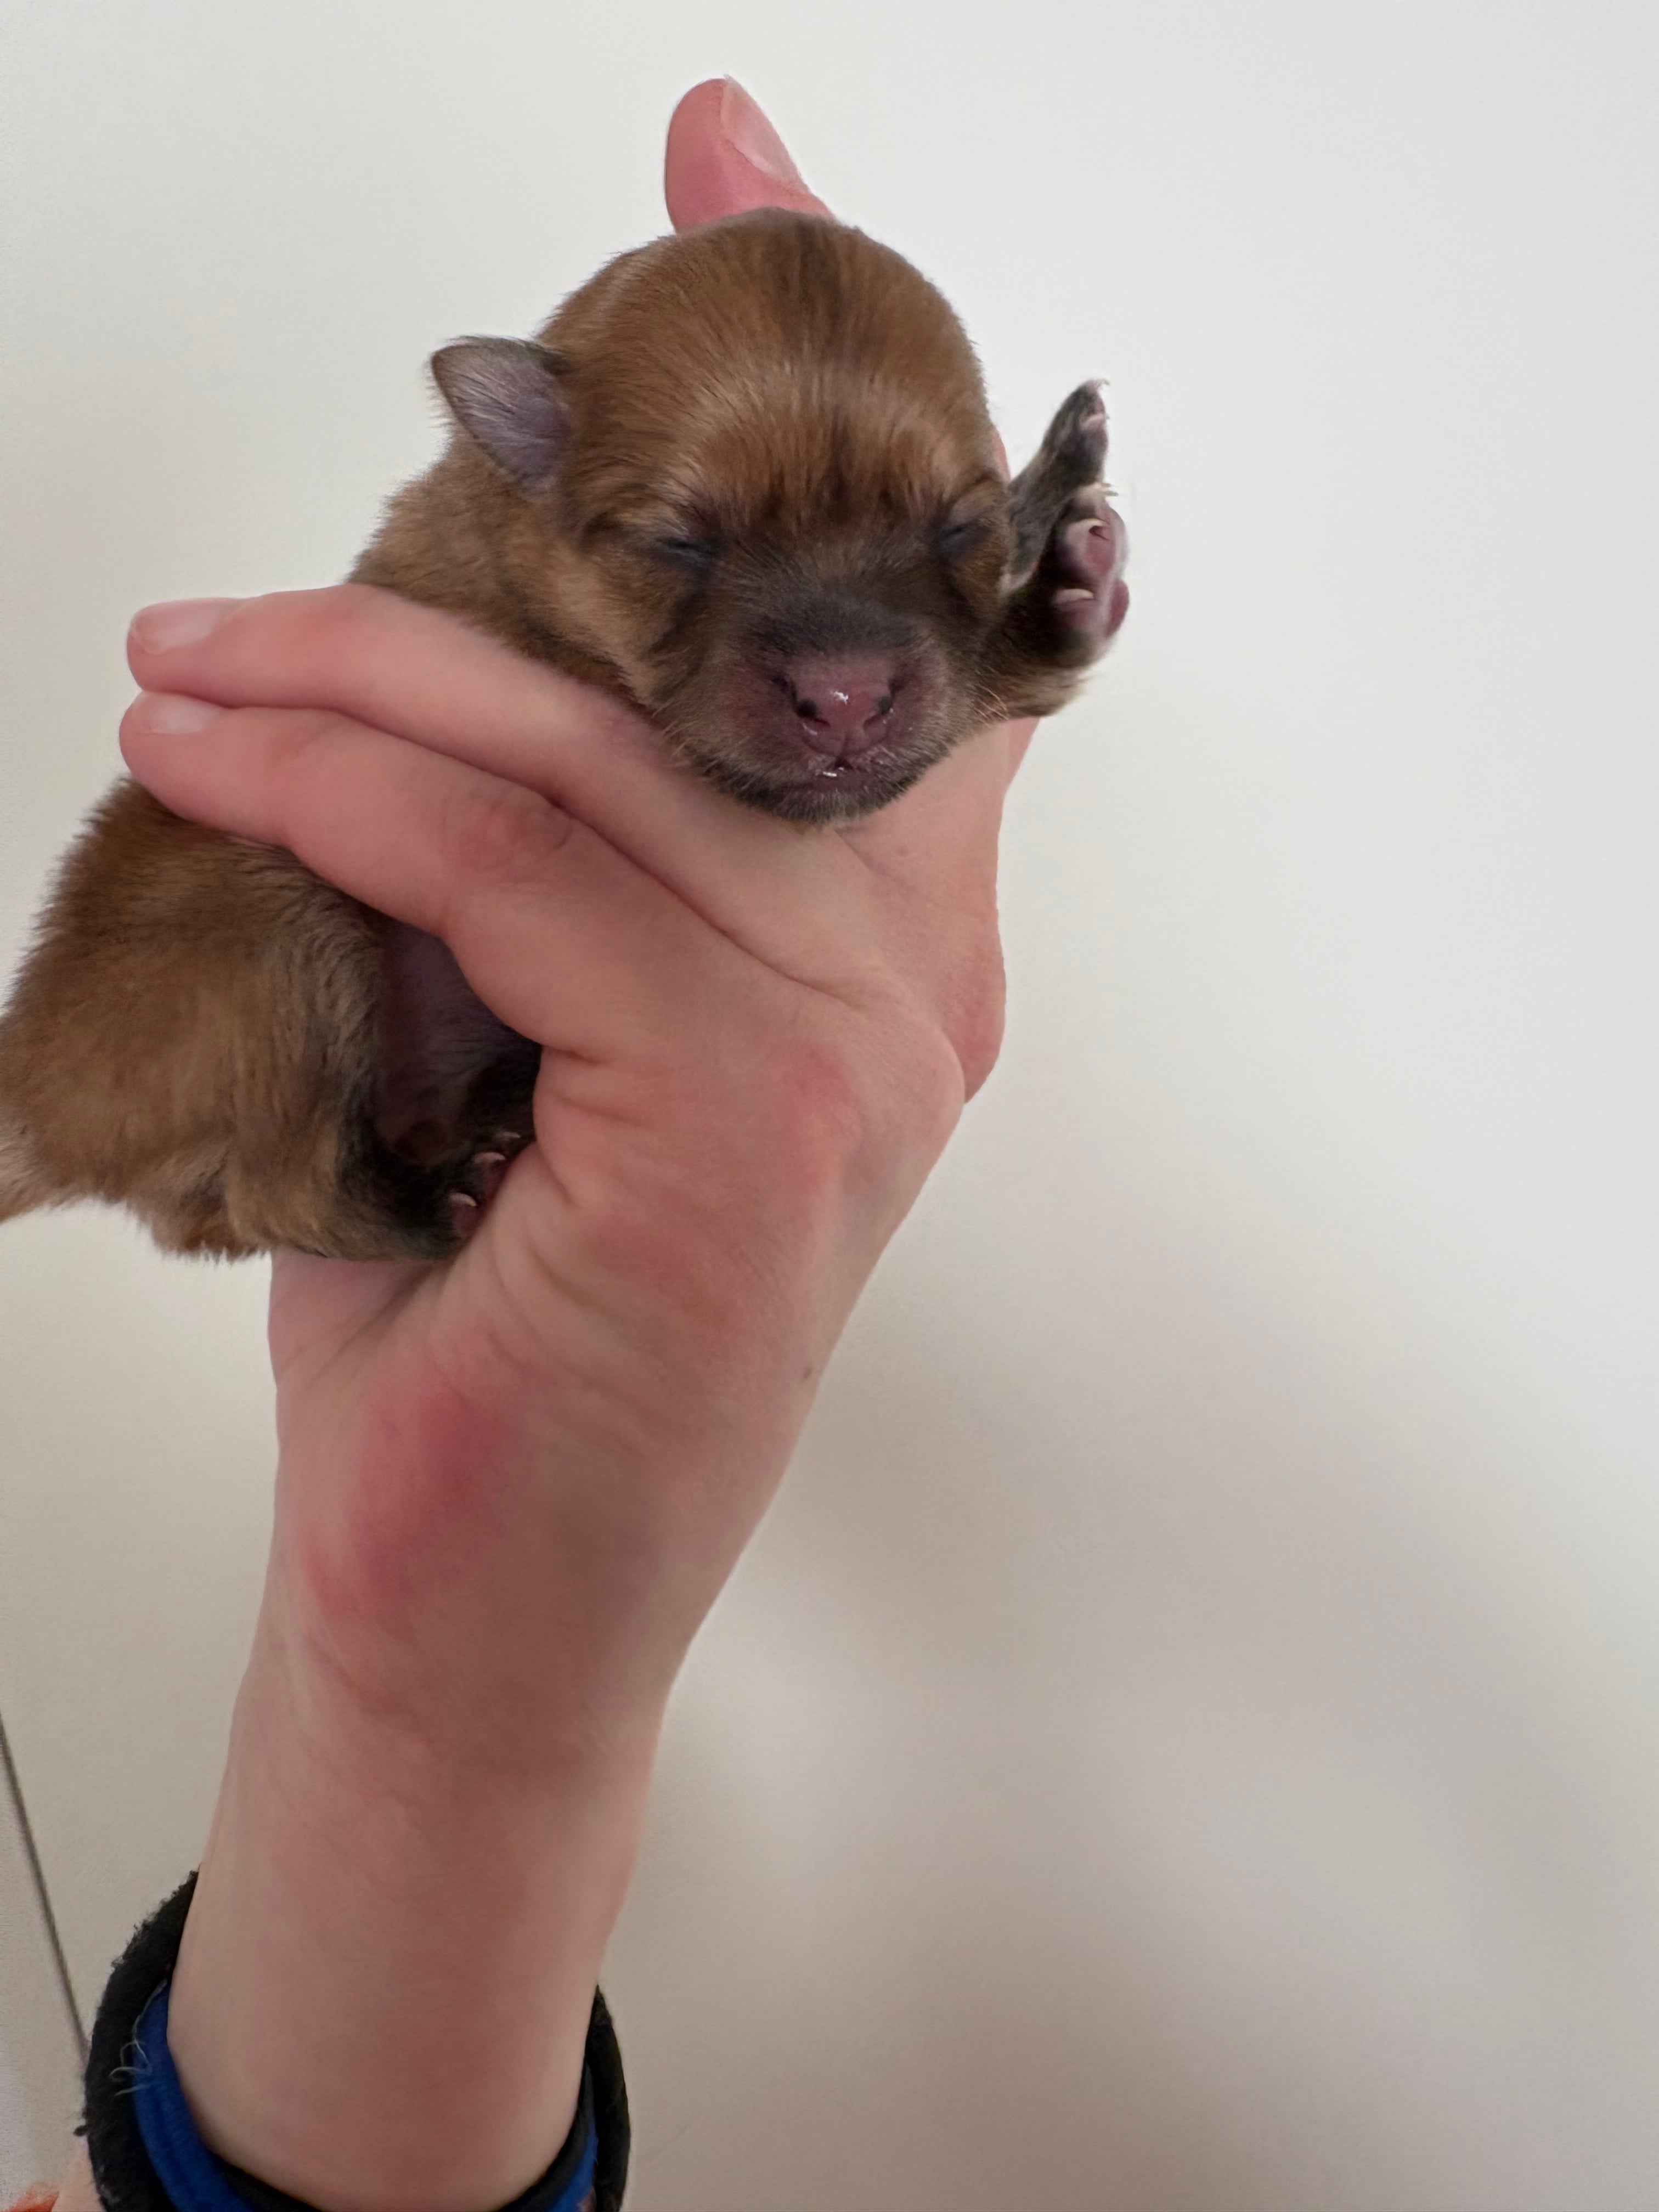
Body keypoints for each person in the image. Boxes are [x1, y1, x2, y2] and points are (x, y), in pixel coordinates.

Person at [21, 76, 1126, 2212]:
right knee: (256, 945)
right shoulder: (478, 573)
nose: (838, 671)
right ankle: (306, 1177)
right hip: (249, 1039)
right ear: (515, 457)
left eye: (945, 549)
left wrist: (433, 1707)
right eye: (690, 552)